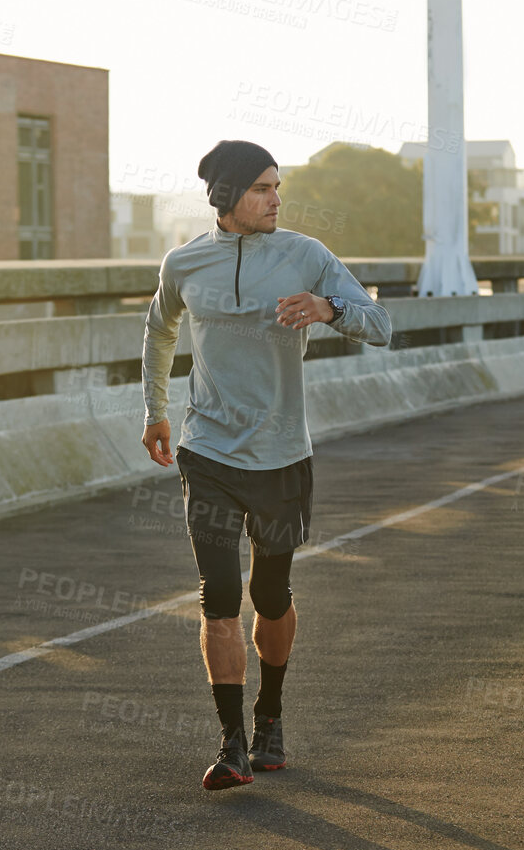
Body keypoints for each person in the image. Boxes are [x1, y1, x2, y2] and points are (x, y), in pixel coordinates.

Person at [140, 139, 393, 790]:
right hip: (209, 454)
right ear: (226, 196)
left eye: (277, 186)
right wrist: (156, 410)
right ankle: (230, 745)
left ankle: (268, 717)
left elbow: (381, 323)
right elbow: (159, 328)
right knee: (219, 596)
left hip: (281, 457)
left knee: (269, 596)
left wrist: (327, 308)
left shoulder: (305, 256)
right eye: (261, 188)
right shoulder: (185, 262)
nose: (275, 199)